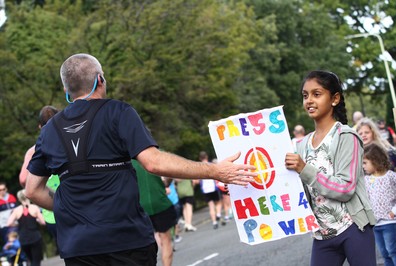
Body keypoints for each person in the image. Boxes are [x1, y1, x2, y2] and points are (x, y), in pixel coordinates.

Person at [24, 53, 256, 266]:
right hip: (126, 240)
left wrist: (70, 212)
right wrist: (215, 171)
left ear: (67, 91)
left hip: (78, 247)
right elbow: (154, 162)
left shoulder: (48, 131)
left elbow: (33, 190)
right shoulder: (118, 112)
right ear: (100, 80)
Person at [285, 70, 376, 266]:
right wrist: (245, 191)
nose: (309, 100)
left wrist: (304, 169)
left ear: (334, 98)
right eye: (305, 95)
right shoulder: (302, 145)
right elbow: (292, 189)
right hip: (322, 235)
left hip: (353, 228)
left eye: (317, 94)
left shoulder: (346, 137)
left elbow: (345, 188)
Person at [19, 106, 59, 253]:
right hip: (81, 203)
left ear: (40, 127)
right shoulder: (75, 138)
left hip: (52, 208)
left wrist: (41, 178)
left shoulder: (35, 150)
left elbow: (23, 179)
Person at [133, 160, 176, 266]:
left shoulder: (127, 161)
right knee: (166, 241)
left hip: (139, 207)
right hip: (160, 203)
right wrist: (164, 183)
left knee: (144, 245)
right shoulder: (156, 155)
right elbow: (170, 175)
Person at [363, 142, 396, 266]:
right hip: (376, 224)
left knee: (392, 251)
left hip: (390, 222)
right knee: (384, 253)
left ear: (375, 160)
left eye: (365, 162)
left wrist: (395, 210)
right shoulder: (366, 179)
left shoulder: (391, 176)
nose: (363, 166)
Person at [7, 189, 45, 266]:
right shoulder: (34, 208)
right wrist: (36, 220)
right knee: (36, 261)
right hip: (35, 237)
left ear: (19, 199)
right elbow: (43, 222)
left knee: (30, 261)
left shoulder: (16, 210)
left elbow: (8, 223)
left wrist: (17, 224)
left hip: (23, 239)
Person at [198, 151, 223, 229]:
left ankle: (214, 222)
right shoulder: (211, 165)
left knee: (211, 206)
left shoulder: (198, 167)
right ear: (207, 157)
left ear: (200, 158)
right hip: (213, 187)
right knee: (218, 203)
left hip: (205, 189)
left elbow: (198, 180)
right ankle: (218, 214)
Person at [0, 181, 17, 246]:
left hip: (15, 225)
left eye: (3, 189)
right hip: (4, 226)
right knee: (8, 244)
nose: (2, 191)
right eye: (0, 190)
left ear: (6, 189)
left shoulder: (11, 197)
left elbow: (16, 210)